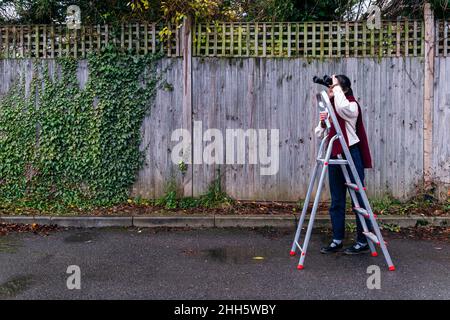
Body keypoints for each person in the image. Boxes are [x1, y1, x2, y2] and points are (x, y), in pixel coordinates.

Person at [314, 74, 374, 255]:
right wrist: (323, 123)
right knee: (337, 200)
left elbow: (342, 108)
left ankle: (363, 240)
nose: (331, 90)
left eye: (335, 87)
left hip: (351, 153)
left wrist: (337, 87)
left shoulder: (351, 105)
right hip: (335, 153)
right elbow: (318, 133)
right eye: (331, 87)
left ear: (344, 90)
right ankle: (337, 239)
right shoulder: (333, 107)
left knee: (358, 199)